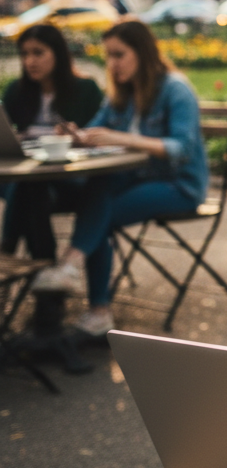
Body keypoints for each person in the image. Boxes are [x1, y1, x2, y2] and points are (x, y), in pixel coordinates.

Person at [30, 19, 208, 337]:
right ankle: (80, 285)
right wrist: (77, 136)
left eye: (119, 55)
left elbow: (181, 150)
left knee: (102, 213)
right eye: (107, 56)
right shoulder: (121, 95)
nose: (111, 64)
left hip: (179, 185)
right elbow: (97, 129)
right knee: (96, 190)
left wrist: (122, 138)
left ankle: (85, 288)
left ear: (142, 52)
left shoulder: (175, 89)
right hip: (133, 179)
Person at [1, 24, 104, 258]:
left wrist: (77, 138)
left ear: (58, 53)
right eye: (25, 54)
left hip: (69, 178)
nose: (30, 61)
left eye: (38, 53)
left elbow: (98, 136)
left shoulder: (85, 90)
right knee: (31, 186)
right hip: (28, 181)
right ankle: (44, 273)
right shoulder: (17, 92)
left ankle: (8, 250)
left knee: (28, 187)